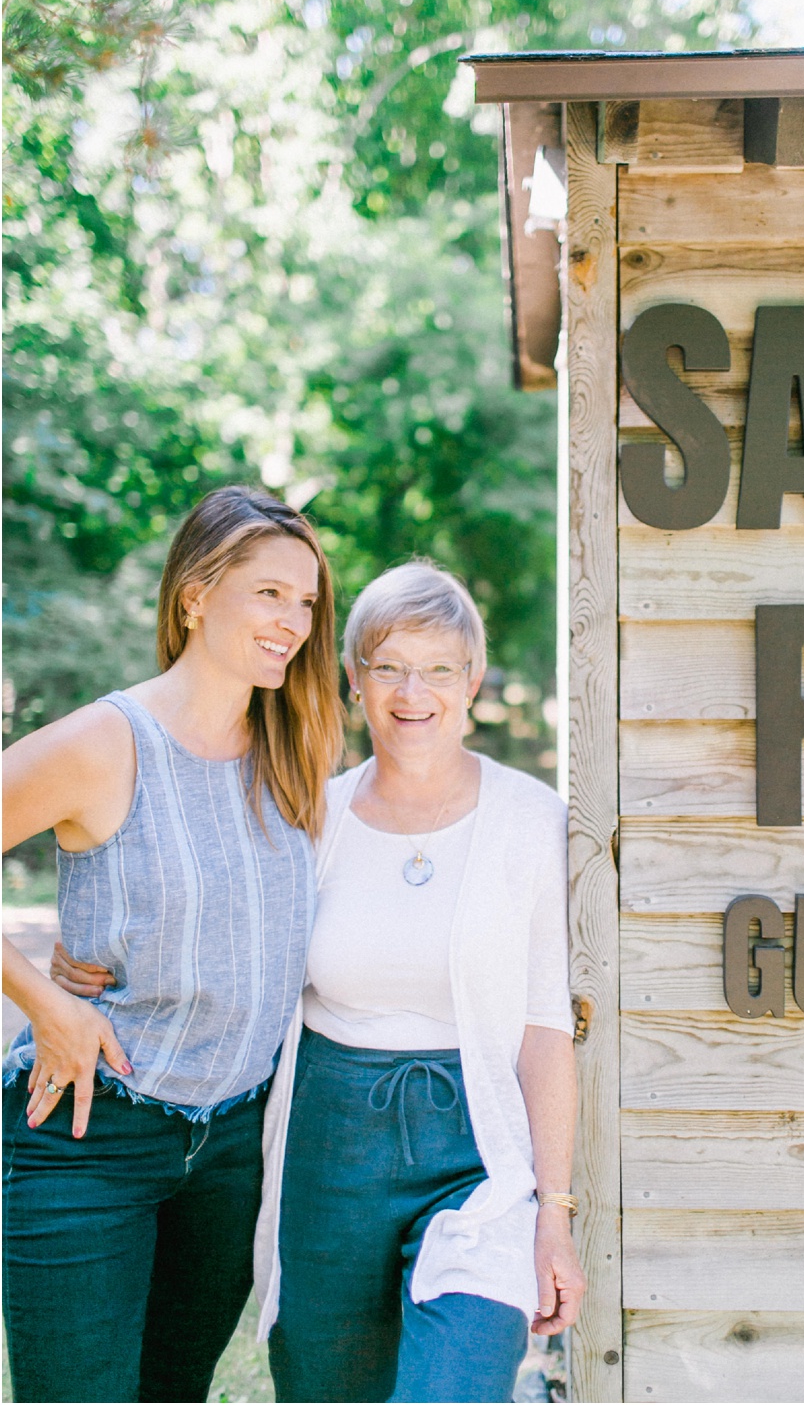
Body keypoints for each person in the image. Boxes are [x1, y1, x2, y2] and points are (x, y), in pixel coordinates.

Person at [51, 560, 585, 1400]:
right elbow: (225, 933)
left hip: (476, 1147)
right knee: (322, 1382)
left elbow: (546, 1023)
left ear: (473, 681)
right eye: (389, 666)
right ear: (354, 681)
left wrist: (554, 1213)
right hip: (328, 1145)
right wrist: (80, 967)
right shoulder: (309, 815)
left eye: (440, 668)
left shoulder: (533, 820)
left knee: (459, 1379)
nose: (415, 692)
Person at [1, 486, 341, 1402]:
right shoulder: (109, 743)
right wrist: (49, 1002)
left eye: (306, 602)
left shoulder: (293, 750)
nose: (294, 622)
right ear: (196, 594)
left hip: (230, 1151)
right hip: (89, 1136)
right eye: (270, 593)